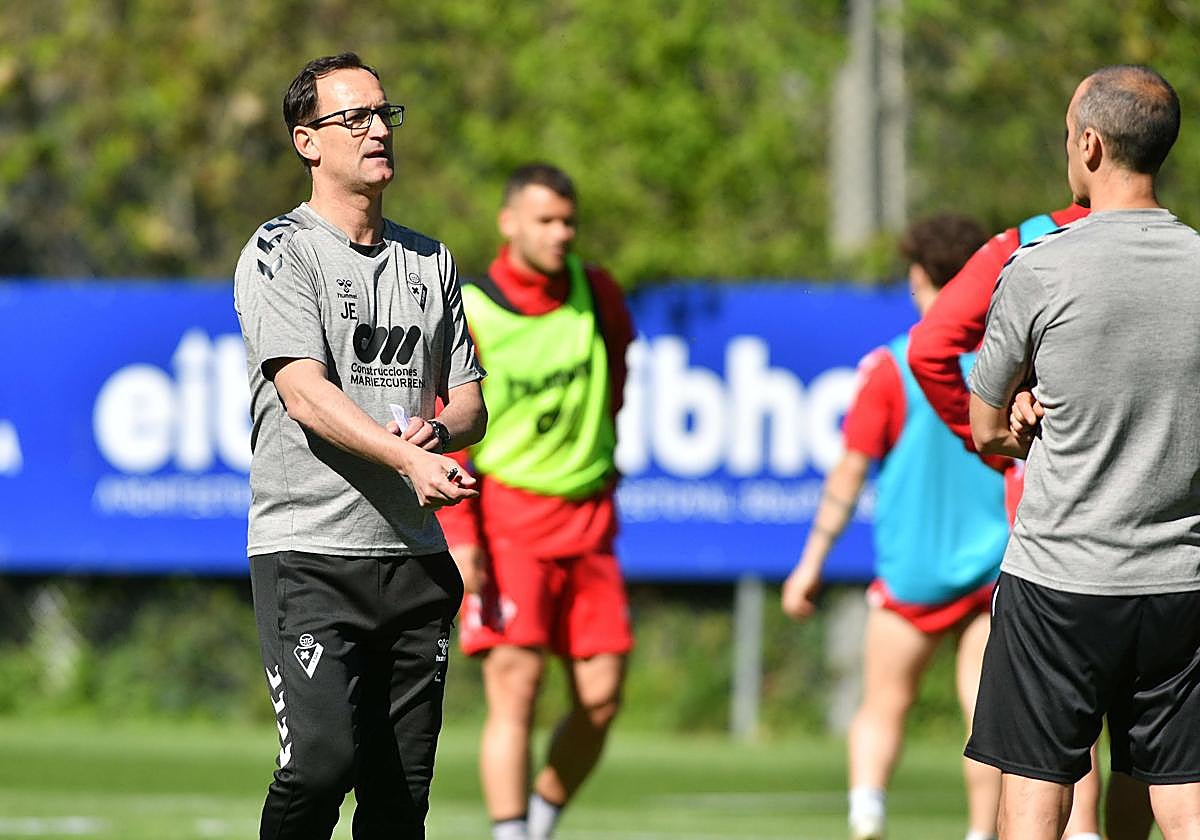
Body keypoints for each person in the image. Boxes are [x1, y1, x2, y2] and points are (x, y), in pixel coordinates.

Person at [232, 52, 487, 840]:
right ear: (308, 142)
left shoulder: (430, 258)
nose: (379, 130)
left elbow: (473, 399)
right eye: (356, 118)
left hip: (409, 560)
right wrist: (409, 459)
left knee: (399, 796)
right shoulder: (282, 250)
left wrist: (438, 432)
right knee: (318, 764)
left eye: (385, 115)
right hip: (309, 552)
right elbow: (303, 392)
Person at [966, 65, 1200, 840]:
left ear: (1091, 146)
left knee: (1036, 788)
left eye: (1069, 135)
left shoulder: (1040, 267)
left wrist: (1026, 420)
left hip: (1059, 581)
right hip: (1181, 584)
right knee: (1182, 792)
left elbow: (985, 425)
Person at [908, 149, 1154, 840]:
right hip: (1166, 542)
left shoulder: (1026, 245)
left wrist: (993, 441)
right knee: (1153, 750)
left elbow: (930, 348)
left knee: (1051, 731)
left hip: (1058, 532)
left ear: (1088, 147)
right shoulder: (1178, 249)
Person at [781, 214, 1008, 840]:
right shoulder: (1009, 359)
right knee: (987, 718)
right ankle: (980, 832)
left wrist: (810, 564)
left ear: (921, 278)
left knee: (883, 702)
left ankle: (866, 817)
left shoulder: (893, 366)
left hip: (914, 568)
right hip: (997, 565)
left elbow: (847, 477)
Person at [434, 163, 635, 840]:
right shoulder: (474, 308)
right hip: (509, 522)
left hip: (589, 520)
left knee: (602, 698)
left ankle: (542, 818)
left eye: (569, 221)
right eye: (546, 220)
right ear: (509, 222)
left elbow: (618, 376)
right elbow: (450, 431)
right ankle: (510, 831)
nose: (561, 233)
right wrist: (464, 540)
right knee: (515, 687)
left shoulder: (596, 290)